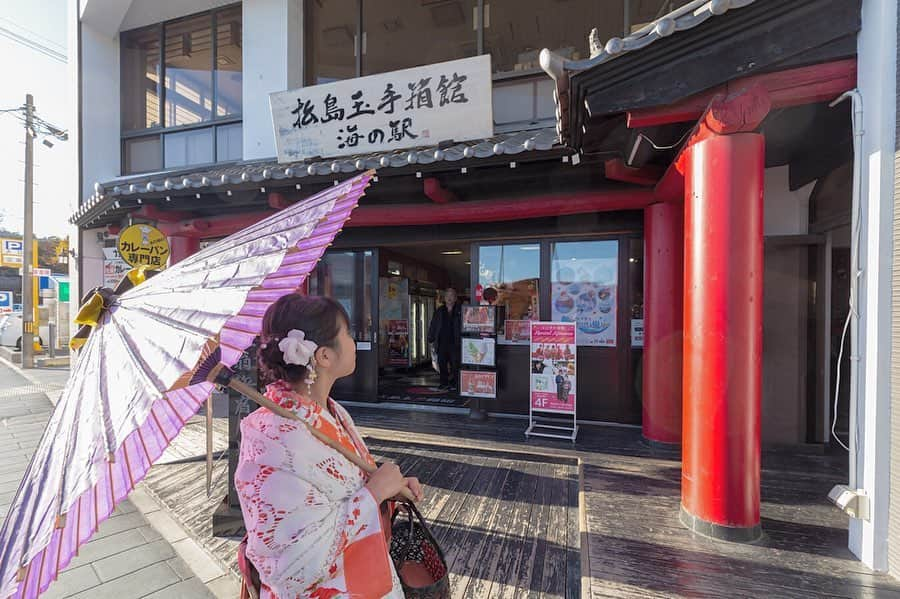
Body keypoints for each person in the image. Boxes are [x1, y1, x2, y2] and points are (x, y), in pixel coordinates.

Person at [235, 294, 424, 598]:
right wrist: (373, 493)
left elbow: (344, 491)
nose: (354, 342)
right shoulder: (273, 439)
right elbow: (292, 567)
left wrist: (388, 490)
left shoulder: (330, 412)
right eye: (348, 333)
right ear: (323, 356)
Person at [427, 288, 462, 390]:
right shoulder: (440, 310)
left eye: (451, 296)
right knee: (442, 364)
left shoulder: (460, 310)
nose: (449, 298)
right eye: (447, 296)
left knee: (455, 364)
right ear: (444, 298)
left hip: (455, 342)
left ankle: (455, 383)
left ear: (455, 298)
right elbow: (433, 325)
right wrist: (430, 337)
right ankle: (444, 382)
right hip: (442, 342)